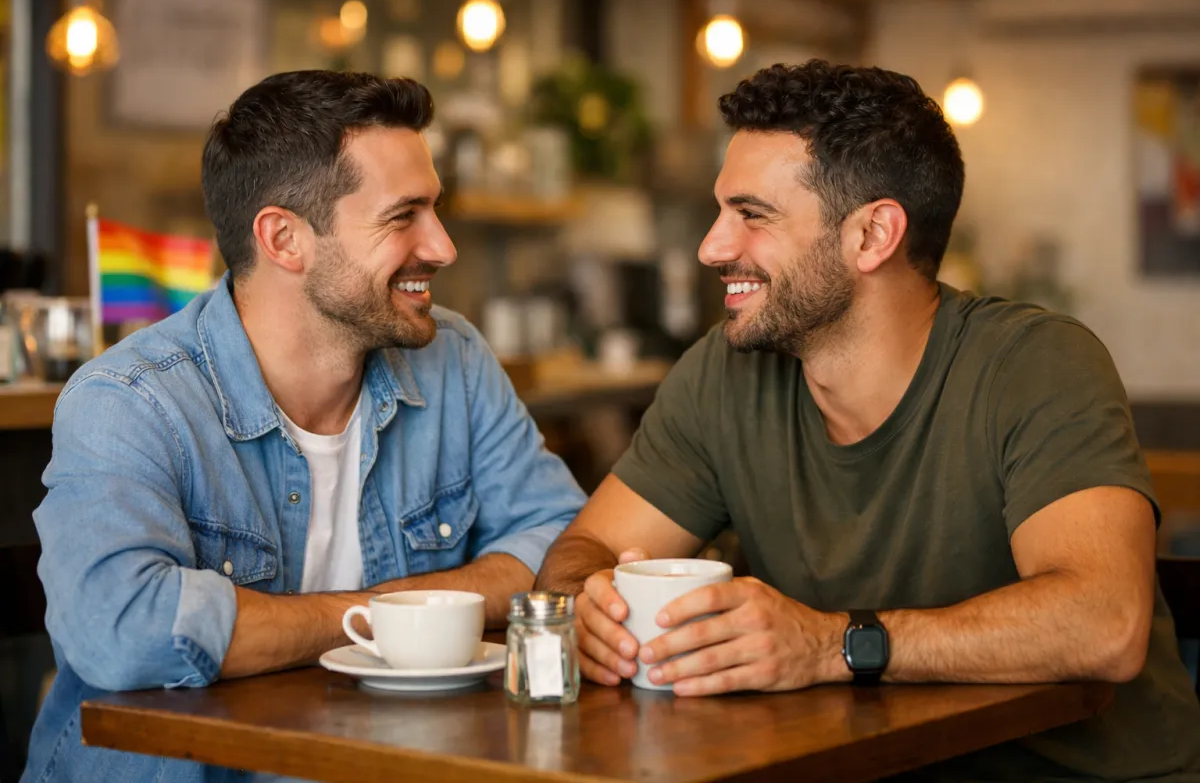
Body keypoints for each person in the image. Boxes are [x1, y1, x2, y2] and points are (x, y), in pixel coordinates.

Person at [534, 60, 1200, 780]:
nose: (712, 247)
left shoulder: (1036, 365)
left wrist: (830, 645)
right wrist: (591, 605)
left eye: (751, 215)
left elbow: (1107, 623)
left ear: (873, 235)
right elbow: (586, 548)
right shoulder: (724, 375)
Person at [24, 71, 585, 782]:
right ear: (284, 238)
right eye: (402, 215)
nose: (442, 246)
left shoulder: (455, 360)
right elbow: (123, 630)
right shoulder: (130, 401)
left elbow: (567, 548)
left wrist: (268, 624)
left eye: (434, 210)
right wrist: (391, 614)